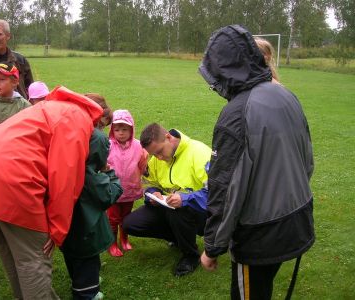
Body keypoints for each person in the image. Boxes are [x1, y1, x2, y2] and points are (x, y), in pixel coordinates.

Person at [198, 25, 314, 299]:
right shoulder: (285, 95)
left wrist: (212, 246)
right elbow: (307, 162)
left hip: (260, 235)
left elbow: (225, 189)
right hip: (297, 220)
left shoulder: (236, 115)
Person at [0, 86, 103, 299]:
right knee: (34, 258)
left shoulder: (49, 106)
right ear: (97, 120)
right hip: (10, 179)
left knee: (11, 252)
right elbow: (65, 180)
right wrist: (57, 229)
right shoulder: (78, 118)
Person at [122, 123, 210, 276]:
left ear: (169, 137)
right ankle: (179, 239)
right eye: (154, 155)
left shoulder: (199, 152)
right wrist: (153, 193)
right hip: (171, 206)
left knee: (178, 211)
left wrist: (185, 199)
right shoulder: (157, 158)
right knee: (130, 224)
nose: (159, 158)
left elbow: (217, 192)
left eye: (160, 152)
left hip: (202, 212)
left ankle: (191, 256)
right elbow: (148, 182)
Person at [61, 127, 123, 300]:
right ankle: (87, 292)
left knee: (73, 259)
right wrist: (109, 173)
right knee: (87, 262)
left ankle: (78, 282)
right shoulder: (91, 175)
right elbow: (109, 194)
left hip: (68, 230)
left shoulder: (65, 167)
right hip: (87, 231)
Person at [106, 109, 148, 257]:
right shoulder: (108, 145)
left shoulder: (138, 146)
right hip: (112, 190)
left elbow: (143, 163)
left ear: (131, 129)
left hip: (130, 189)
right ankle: (112, 244)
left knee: (126, 217)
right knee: (113, 218)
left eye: (124, 129)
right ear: (112, 130)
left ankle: (124, 239)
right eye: (117, 129)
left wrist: (143, 173)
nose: (121, 133)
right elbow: (102, 164)